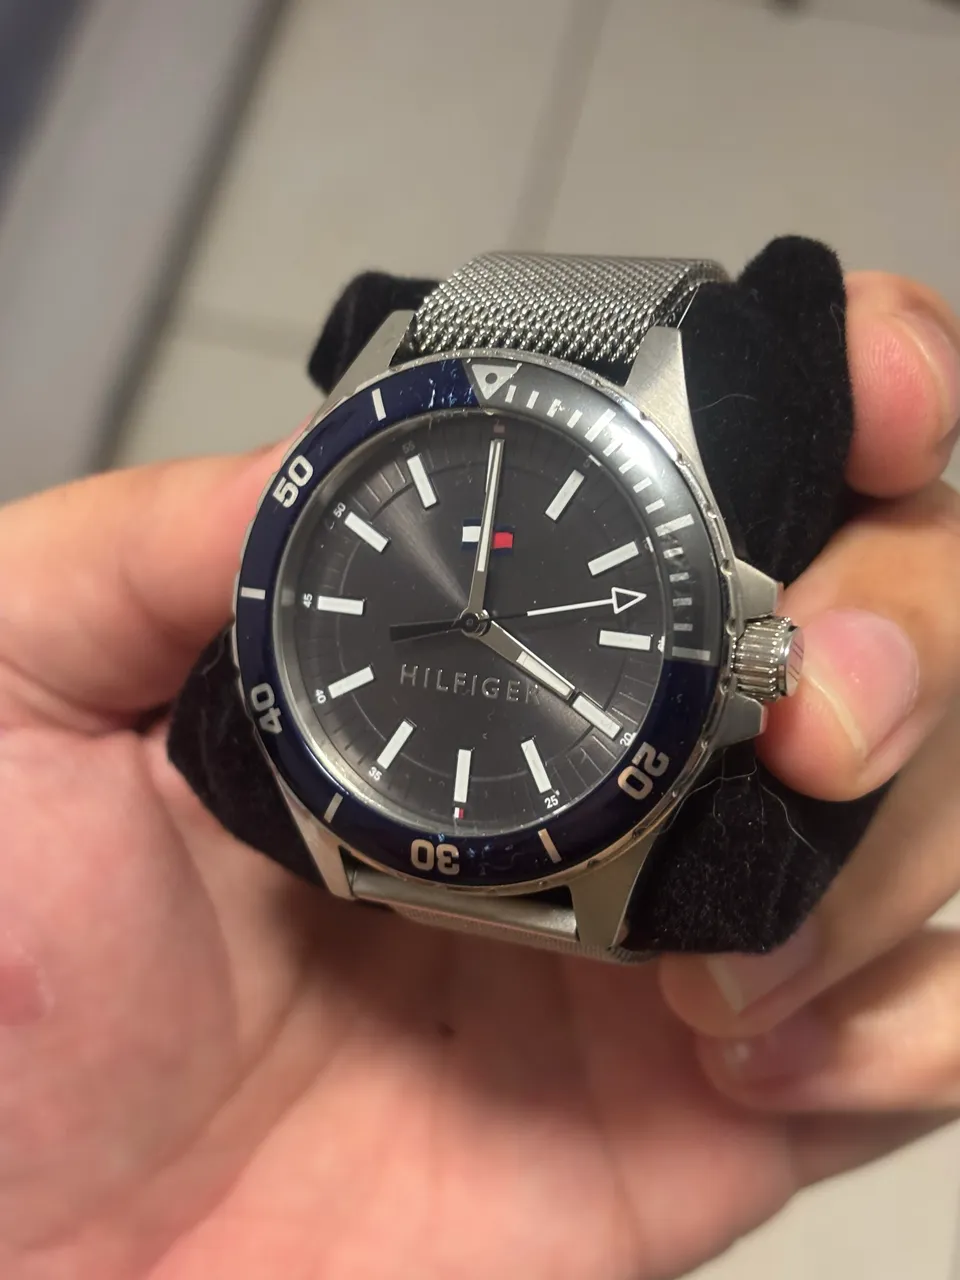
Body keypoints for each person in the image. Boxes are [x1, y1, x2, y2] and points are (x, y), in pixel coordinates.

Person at [0, 269, 957, 1280]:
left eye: (483, 624)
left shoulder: (668, 418)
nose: (473, 623)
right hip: (361, 850)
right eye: (467, 617)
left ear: (750, 648)